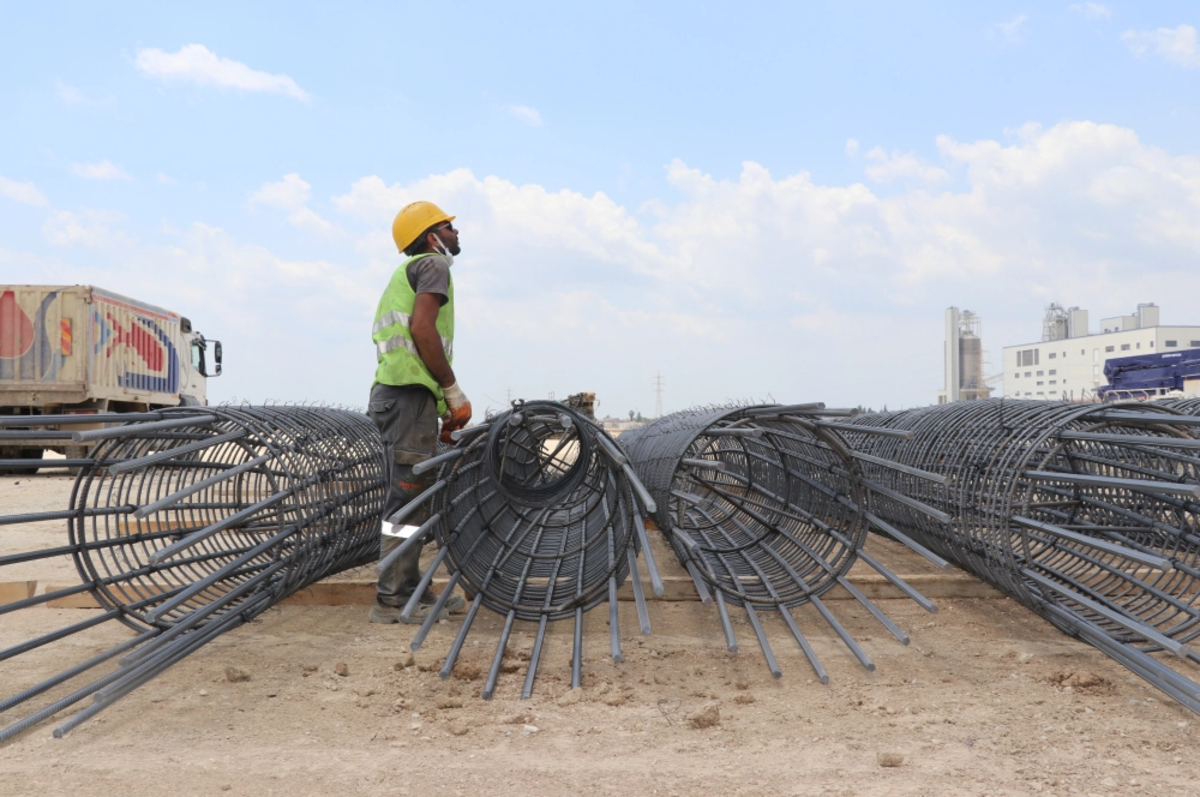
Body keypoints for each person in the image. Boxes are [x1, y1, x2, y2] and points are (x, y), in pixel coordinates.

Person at [367, 201, 472, 624]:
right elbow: (422, 330)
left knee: (411, 496)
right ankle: (393, 598)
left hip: (407, 396)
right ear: (432, 237)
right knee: (407, 498)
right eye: (449, 227)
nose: (456, 233)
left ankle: (408, 588)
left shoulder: (407, 273)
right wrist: (451, 389)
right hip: (407, 397)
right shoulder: (434, 266)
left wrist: (443, 403)